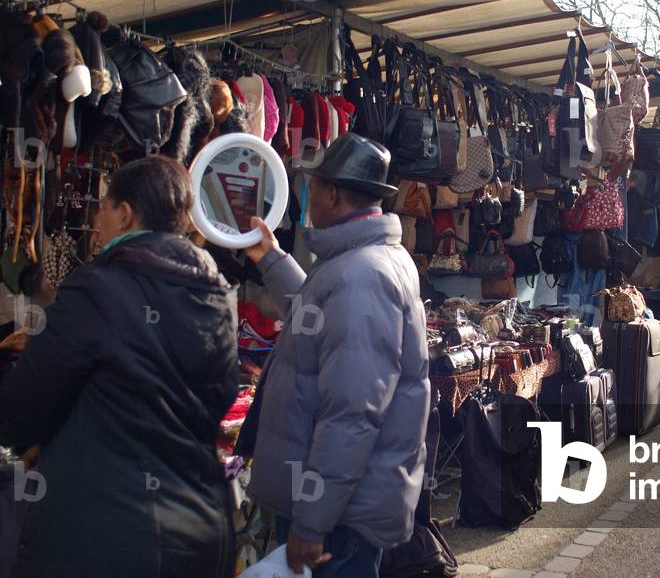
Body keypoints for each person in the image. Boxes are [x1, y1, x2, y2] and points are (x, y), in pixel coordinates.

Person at [0, 156, 239, 577]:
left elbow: (23, 409)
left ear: (125, 214)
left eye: (103, 210)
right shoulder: (217, 298)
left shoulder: (98, 288)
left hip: (100, 535)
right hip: (199, 530)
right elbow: (219, 399)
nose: (96, 225)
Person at [245, 133, 429, 577]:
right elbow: (318, 318)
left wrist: (311, 522)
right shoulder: (364, 260)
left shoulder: (361, 275)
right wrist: (270, 258)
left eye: (315, 186)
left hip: (340, 519)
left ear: (331, 192)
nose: (309, 196)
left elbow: (351, 415)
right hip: (343, 509)